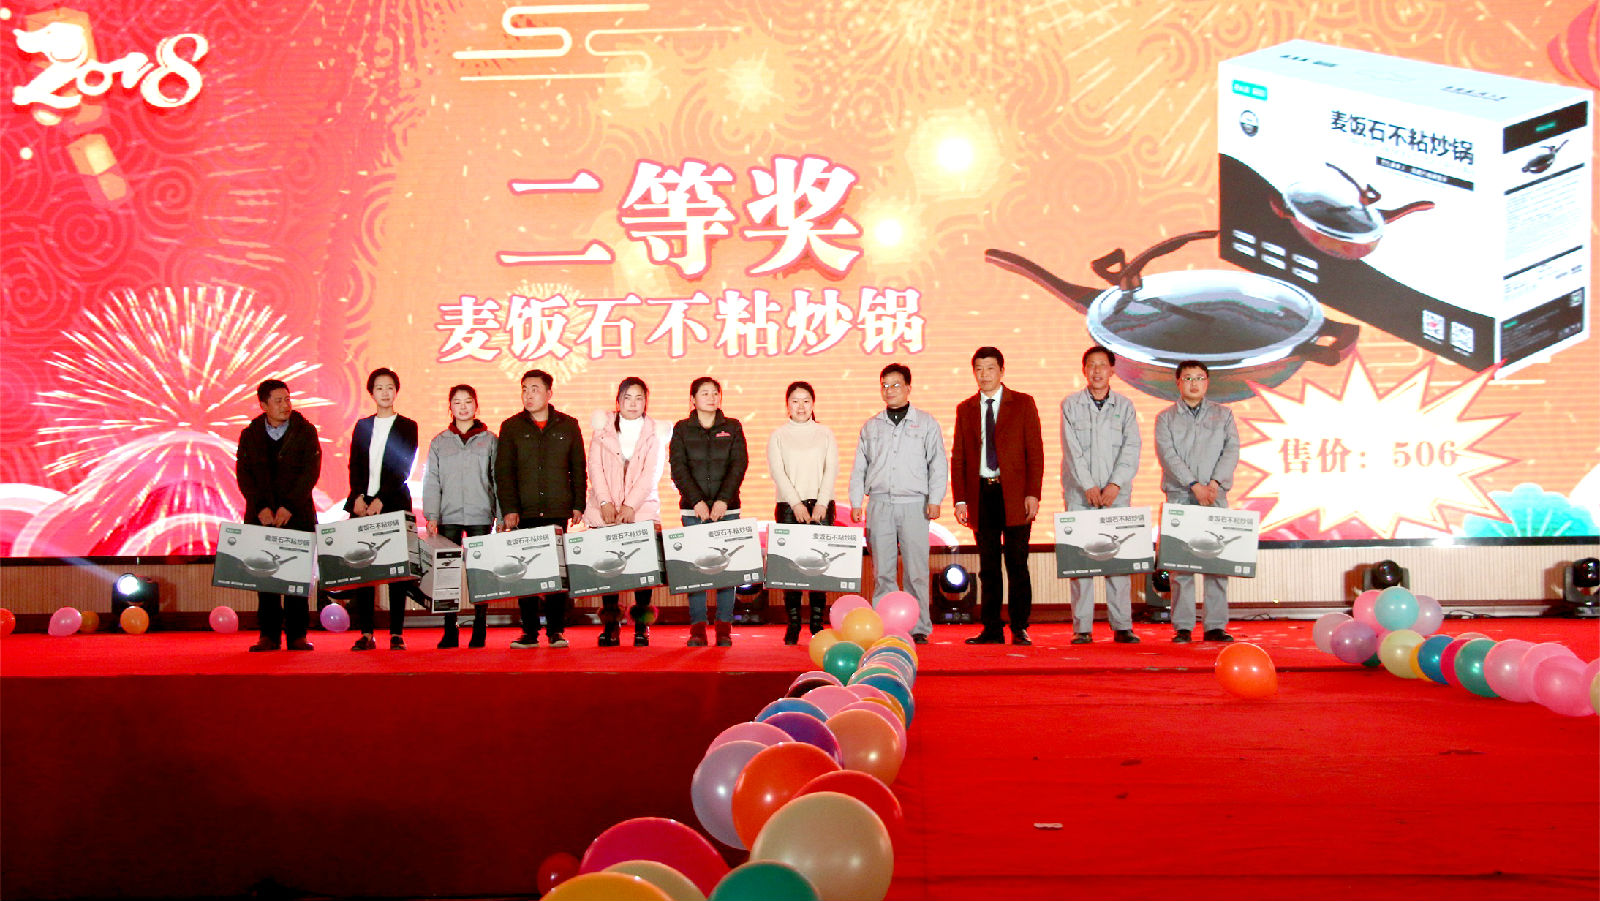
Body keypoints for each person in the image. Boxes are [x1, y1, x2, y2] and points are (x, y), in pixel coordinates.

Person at [952, 347, 1044, 646]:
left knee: (1017, 564)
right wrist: (960, 499)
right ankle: (992, 628)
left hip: (1015, 494)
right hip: (982, 494)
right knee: (988, 566)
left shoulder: (1023, 403)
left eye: (990, 368)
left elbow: (1035, 453)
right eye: (978, 368)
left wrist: (1033, 493)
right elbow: (959, 457)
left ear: (1002, 371)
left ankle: (1019, 627)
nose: (984, 374)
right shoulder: (965, 408)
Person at [849, 363, 946, 644]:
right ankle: (886, 625)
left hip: (915, 504)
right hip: (879, 503)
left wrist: (935, 499)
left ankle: (919, 627)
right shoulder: (871, 426)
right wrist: (856, 501)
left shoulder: (926, 423)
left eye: (895, 385)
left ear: (908, 388)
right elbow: (859, 467)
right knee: (883, 572)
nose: (889, 390)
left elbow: (938, 464)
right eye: (884, 385)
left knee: (916, 571)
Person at [495, 369, 585, 649]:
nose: (528, 395)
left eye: (534, 389)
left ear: (549, 393)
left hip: (557, 510)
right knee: (526, 573)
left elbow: (578, 468)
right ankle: (530, 632)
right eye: (524, 389)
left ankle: (556, 630)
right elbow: (504, 473)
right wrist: (509, 508)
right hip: (524, 512)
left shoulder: (568, 425)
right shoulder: (511, 427)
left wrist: (578, 504)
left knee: (556, 573)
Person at [1154, 360, 1240, 643]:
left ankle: (1215, 626)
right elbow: (1168, 456)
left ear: (1207, 382)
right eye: (1188, 378)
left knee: (1217, 564)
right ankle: (1183, 626)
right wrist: (1193, 485)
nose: (1194, 383)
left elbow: (1231, 451)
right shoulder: (1165, 418)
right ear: (1178, 383)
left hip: (1215, 496)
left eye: (1199, 378)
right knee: (1181, 567)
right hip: (1181, 496)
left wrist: (1213, 484)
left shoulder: (1223, 415)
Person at [1061, 346, 1142, 645]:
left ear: (1112, 371)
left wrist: (1114, 485)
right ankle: (1082, 628)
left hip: (1115, 496)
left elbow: (1131, 449)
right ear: (1084, 370)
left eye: (1102, 365)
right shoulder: (1071, 405)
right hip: (1080, 495)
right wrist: (1088, 486)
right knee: (1081, 561)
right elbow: (1072, 450)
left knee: (1117, 560)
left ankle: (1122, 626)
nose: (1097, 371)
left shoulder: (1126, 406)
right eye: (1091, 365)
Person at [237, 379, 322, 651]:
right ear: (264, 405)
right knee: (265, 576)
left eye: (287, 399)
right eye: (278, 401)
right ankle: (269, 635)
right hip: (261, 516)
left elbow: (310, 473)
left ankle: (297, 635)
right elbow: (244, 475)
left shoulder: (305, 431)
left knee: (296, 577)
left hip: (297, 514)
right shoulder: (250, 434)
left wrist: (289, 506)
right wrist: (260, 507)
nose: (285, 405)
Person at [583, 377, 668, 647]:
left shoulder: (655, 432)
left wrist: (630, 506)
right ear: (618, 401)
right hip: (606, 512)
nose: (633, 403)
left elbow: (651, 474)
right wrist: (605, 503)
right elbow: (594, 467)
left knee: (643, 573)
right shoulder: (602, 429)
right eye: (627, 397)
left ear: (646, 401)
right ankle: (611, 626)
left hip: (640, 511)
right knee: (609, 571)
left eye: (639, 398)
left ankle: (641, 626)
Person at [342, 368, 420, 651]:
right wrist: (358, 497)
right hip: (363, 506)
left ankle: (397, 633)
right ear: (371, 393)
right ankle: (366, 633)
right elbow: (355, 464)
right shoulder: (363, 426)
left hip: (393, 503)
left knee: (396, 571)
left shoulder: (408, 426)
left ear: (396, 391)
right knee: (365, 569)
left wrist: (381, 499)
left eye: (390, 388)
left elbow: (402, 466)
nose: (385, 393)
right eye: (379, 388)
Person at [669, 376, 749, 647]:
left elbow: (738, 465)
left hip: (728, 509)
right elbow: (678, 468)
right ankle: (698, 628)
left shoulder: (733, 427)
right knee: (696, 570)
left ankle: (724, 627)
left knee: (727, 570)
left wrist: (723, 500)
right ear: (692, 399)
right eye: (704, 393)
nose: (711, 397)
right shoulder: (682, 429)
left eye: (715, 393)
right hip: (694, 511)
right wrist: (696, 502)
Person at [422, 384, 497, 649]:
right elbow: (432, 481)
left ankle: (480, 626)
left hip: (480, 514)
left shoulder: (490, 440)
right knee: (447, 574)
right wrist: (432, 514)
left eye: (468, 402)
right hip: (448, 515)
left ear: (476, 405)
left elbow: (497, 479)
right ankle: (449, 629)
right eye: (457, 402)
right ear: (450, 407)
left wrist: (500, 515)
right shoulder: (439, 442)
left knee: (480, 574)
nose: (463, 407)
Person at [767, 381, 840, 644]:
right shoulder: (778, 435)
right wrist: (796, 504)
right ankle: (794, 623)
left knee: (819, 566)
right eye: (795, 401)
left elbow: (831, 469)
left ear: (813, 403)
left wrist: (821, 503)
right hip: (789, 507)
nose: (801, 406)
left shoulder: (825, 433)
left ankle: (817, 623)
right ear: (787, 404)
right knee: (791, 569)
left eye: (806, 401)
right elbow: (778, 472)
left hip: (821, 506)